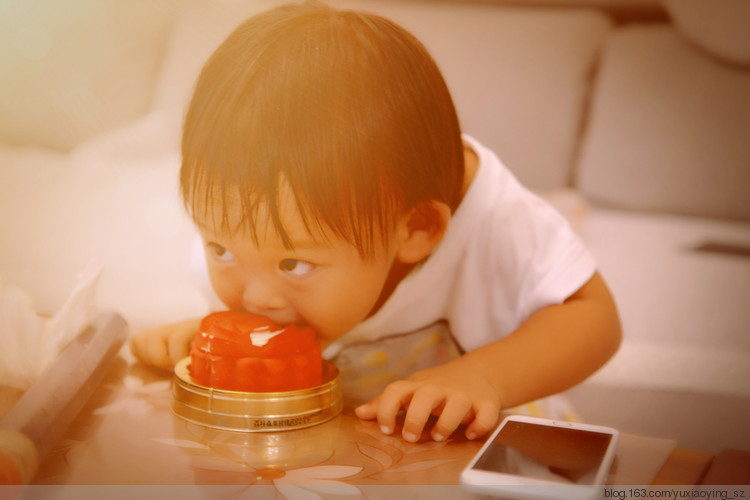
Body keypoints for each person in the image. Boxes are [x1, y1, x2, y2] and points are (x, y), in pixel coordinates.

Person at [130, 1, 621, 443]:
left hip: (491, 454)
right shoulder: (253, 229)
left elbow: (594, 318)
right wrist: (216, 344)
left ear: (417, 230)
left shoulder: (495, 219)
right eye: (222, 251)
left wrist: (483, 378)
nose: (255, 299)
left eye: (295, 264)